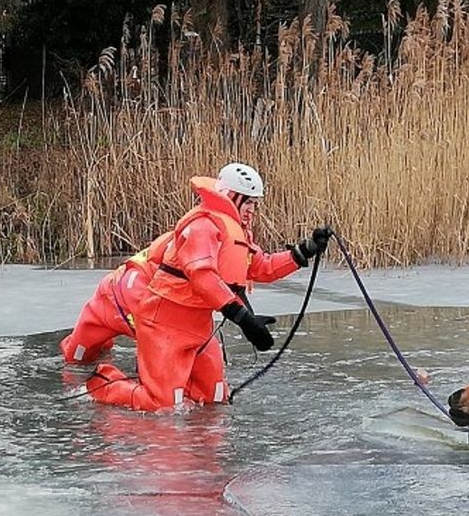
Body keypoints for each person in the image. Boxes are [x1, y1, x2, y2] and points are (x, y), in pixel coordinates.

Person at [85, 162, 331, 412]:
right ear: (231, 197)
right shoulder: (202, 225)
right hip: (163, 322)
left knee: (213, 396)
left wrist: (305, 251)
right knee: (161, 405)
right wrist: (243, 318)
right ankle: (104, 382)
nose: (252, 211)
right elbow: (202, 275)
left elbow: (261, 266)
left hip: (199, 326)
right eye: (248, 203)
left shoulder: (236, 232)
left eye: (255, 204)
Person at [59, 231, 172, 364]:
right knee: (76, 357)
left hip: (146, 306)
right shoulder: (178, 240)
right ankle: (102, 351)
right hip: (107, 302)